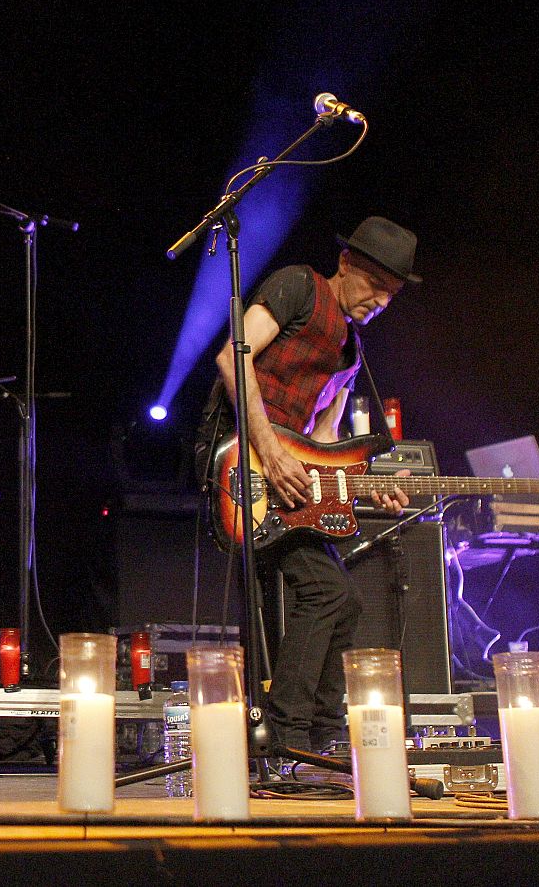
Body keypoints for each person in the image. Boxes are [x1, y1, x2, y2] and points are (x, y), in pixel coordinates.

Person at [195, 216, 418, 755]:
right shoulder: (298, 285)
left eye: (390, 296)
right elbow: (232, 357)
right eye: (374, 285)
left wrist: (366, 486)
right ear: (345, 263)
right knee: (327, 591)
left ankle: (320, 736)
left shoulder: (351, 353)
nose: (379, 302)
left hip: (285, 478)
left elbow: (324, 444)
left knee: (346, 601)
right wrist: (271, 451)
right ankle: (287, 736)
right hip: (236, 457)